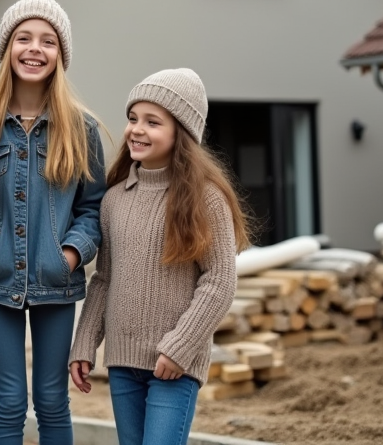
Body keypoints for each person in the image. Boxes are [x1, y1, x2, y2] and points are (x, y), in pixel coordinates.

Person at [0, 0, 106, 445]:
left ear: (61, 55)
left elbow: (93, 208)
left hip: (57, 283)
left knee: (52, 400)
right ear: (7, 48)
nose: (35, 49)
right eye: (24, 38)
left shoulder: (82, 129)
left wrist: (68, 255)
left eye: (48, 41)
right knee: (9, 403)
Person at [68, 68, 250, 445]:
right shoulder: (114, 200)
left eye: (153, 122)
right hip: (122, 363)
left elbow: (219, 282)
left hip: (174, 367)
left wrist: (179, 348)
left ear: (181, 133)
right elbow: (104, 279)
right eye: (133, 118)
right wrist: (85, 343)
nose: (137, 129)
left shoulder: (206, 198)